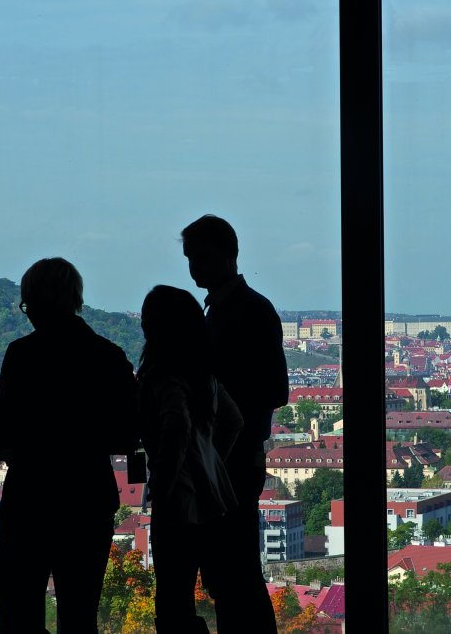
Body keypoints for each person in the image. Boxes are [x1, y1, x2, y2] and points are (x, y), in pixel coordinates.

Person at [0, 257, 139, 634]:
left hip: (29, 499)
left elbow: (8, 429)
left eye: (26, 304)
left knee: (19, 617)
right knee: (80, 615)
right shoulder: (108, 356)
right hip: (87, 500)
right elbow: (126, 434)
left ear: (35, 302)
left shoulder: (22, 355)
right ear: (75, 299)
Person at [181, 214, 289, 633]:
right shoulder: (231, 308)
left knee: (234, 572)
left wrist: (215, 397)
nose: (194, 268)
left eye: (201, 257)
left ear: (229, 255)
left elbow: (275, 390)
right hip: (229, 456)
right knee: (231, 573)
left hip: (234, 457)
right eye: (190, 259)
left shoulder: (248, 310)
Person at [137, 285, 243, 633]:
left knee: (173, 601)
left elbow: (176, 429)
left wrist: (162, 484)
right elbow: (234, 421)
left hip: (179, 501)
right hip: (218, 497)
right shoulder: (205, 376)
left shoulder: (163, 376)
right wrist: (212, 462)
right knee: (225, 592)